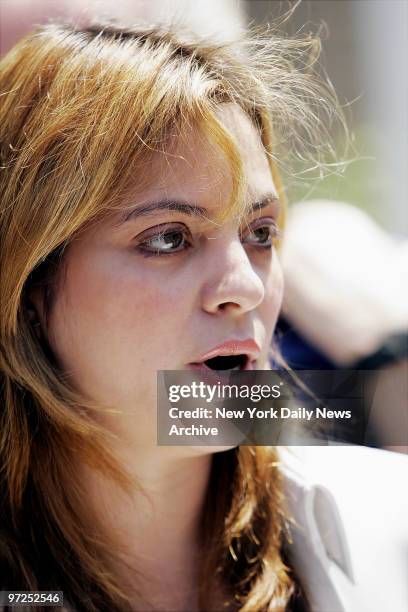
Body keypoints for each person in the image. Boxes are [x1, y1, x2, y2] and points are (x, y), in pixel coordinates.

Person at [1, 20, 406, 612]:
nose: (243, 287)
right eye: (169, 239)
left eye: (260, 233)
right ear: (29, 287)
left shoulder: (389, 522)